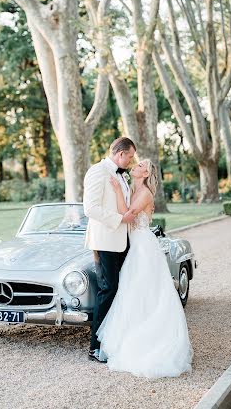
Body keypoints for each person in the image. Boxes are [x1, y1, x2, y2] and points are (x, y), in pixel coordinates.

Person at [97, 159, 193, 378]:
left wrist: (116, 192)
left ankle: (149, 342)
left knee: (143, 291)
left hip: (143, 247)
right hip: (134, 245)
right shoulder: (133, 188)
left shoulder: (146, 193)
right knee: (132, 292)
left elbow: (127, 215)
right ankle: (131, 335)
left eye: (139, 164)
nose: (135, 165)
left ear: (146, 172)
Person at [83, 136, 137, 362]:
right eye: (130, 157)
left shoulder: (121, 176)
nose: (131, 161)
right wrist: (120, 219)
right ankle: (95, 347)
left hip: (122, 241)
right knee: (108, 290)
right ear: (120, 153)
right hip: (106, 241)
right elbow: (90, 208)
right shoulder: (98, 171)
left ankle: (113, 341)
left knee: (119, 291)